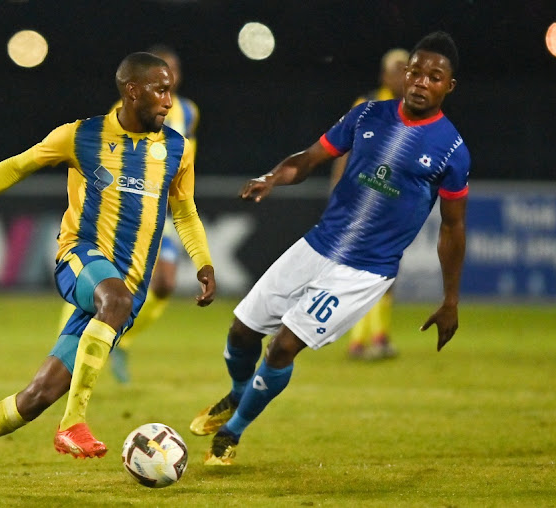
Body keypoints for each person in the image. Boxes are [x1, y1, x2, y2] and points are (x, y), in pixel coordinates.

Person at [0, 52, 216, 490]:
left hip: (123, 294)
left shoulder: (176, 149)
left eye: (170, 90)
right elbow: (17, 166)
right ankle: (74, 422)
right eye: (160, 90)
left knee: (38, 395)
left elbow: (186, 212)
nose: (169, 101)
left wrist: (204, 263)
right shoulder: (83, 135)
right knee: (112, 299)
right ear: (132, 90)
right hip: (80, 257)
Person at [189, 31, 468, 466]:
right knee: (241, 331)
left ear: (448, 86)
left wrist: (450, 299)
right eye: (415, 72)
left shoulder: (452, 150)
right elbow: (310, 158)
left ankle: (232, 432)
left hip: (364, 271)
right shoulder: (367, 114)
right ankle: (239, 393)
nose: (420, 82)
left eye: (434, 77)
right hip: (319, 244)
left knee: (282, 347)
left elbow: (453, 228)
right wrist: (272, 177)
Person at [56, 44, 200, 384]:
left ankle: (123, 340)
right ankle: (67, 342)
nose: (171, 76)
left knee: (164, 285)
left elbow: (183, 156)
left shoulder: (189, 112)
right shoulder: (125, 109)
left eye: (175, 69)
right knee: (99, 276)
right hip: (122, 208)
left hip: (160, 208)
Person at [330, 47, 410, 361]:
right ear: (384, 75)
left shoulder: (412, 111)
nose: (403, 75)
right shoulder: (366, 105)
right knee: (370, 269)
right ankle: (369, 339)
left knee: (384, 270)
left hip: (392, 199)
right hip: (363, 196)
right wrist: (337, 190)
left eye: (408, 70)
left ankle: (366, 340)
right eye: (398, 69)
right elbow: (343, 147)